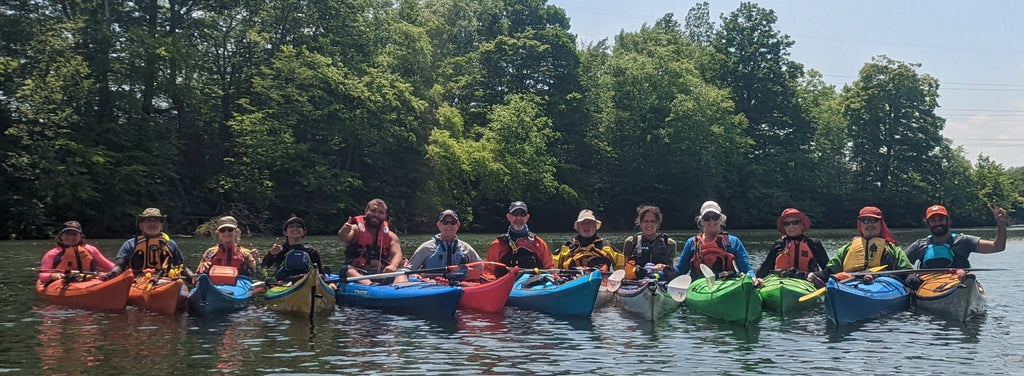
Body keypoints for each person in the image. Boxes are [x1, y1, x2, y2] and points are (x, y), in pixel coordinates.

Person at [808, 206, 913, 288]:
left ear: (881, 224)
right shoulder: (847, 248)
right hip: (850, 283)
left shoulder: (893, 249)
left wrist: (911, 278)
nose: (870, 224)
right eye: (865, 221)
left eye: (874, 220)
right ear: (860, 224)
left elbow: (907, 271)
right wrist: (805, 275)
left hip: (883, 283)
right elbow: (828, 272)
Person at [904, 204, 1009, 269]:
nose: (937, 223)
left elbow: (997, 247)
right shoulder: (919, 245)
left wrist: (1001, 224)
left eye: (941, 219)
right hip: (929, 287)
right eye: (933, 220)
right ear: (928, 223)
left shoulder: (964, 241)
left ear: (947, 220)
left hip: (959, 285)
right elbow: (899, 264)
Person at [673, 201, 756, 281]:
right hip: (700, 287)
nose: (711, 221)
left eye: (715, 217)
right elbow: (680, 270)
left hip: (726, 285)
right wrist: (663, 272)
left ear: (721, 219)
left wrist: (753, 278)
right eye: (707, 218)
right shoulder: (692, 243)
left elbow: (746, 269)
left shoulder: (733, 242)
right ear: (702, 220)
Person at [337, 198, 406, 285]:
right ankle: (370, 285)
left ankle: (402, 289)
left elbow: (398, 254)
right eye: (373, 210)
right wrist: (344, 231)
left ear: (385, 216)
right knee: (346, 269)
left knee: (401, 271)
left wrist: (393, 266)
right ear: (366, 211)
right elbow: (344, 238)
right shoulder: (355, 229)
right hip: (359, 273)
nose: (376, 215)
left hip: (382, 273)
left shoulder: (391, 236)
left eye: (381, 212)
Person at [106, 208, 187, 280]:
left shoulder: (171, 244)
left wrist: (194, 278)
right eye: (148, 220)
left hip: (166, 281)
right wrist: (111, 274)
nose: (152, 224)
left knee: (183, 288)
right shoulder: (130, 244)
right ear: (141, 226)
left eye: (156, 220)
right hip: (137, 280)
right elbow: (120, 266)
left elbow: (181, 267)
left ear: (161, 226)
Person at [484, 201, 554, 277]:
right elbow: (488, 271)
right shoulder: (497, 245)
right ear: (508, 217)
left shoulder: (538, 243)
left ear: (527, 217)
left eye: (522, 214)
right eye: (515, 214)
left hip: (534, 284)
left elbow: (550, 268)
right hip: (507, 285)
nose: (519, 218)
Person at [755, 208, 830, 279]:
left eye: (795, 223)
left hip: (807, 283)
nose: (791, 226)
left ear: (802, 225)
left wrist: (807, 275)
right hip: (779, 282)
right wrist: (753, 277)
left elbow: (828, 272)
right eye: (787, 224)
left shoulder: (813, 243)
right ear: (784, 227)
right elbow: (763, 271)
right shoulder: (779, 244)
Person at [38, 221, 116, 284]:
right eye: (67, 234)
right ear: (61, 236)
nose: (71, 237)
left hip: (89, 280)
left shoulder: (90, 250)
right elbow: (42, 275)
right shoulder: (52, 254)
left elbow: (110, 267)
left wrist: (120, 271)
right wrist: (52, 275)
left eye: (74, 234)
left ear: (80, 236)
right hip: (63, 282)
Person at [407, 209, 481, 270]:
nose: (449, 226)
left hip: (460, 285)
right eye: (445, 222)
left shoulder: (466, 249)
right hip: (432, 285)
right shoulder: (426, 248)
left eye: (453, 223)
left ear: (457, 225)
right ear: (439, 225)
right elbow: (409, 269)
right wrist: (415, 276)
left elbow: (481, 268)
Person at [553, 209, 624, 271]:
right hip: (572, 281)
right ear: (578, 227)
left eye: (589, 223)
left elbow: (622, 266)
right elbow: (553, 266)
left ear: (595, 226)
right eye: (583, 223)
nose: (586, 226)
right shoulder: (567, 246)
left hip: (601, 282)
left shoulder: (606, 246)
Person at [622, 205, 678, 281]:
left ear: (658, 224)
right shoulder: (630, 242)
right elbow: (624, 270)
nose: (649, 225)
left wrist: (662, 267)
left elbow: (671, 271)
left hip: (660, 282)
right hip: (636, 283)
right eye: (646, 221)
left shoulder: (670, 243)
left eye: (653, 221)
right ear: (640, 223)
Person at [262, 216, 325, 282]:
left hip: (308, 280)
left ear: (304, 232)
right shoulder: (280, 250)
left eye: (299, 226)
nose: (295, 228)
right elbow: (264, 266)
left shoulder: (312, 251)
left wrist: (329, 284)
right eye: (291, 226)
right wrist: (271, 253)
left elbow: (320, 272)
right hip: (284, 282)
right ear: (285, 233)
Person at [195, 216, 260, 279]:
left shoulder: (246, 254)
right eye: (222, 230)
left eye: (230, 229)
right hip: (215, 285)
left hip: (239, 286)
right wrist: (202, 269)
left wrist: (257, 261)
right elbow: (196, 277)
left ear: (236, 232)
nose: (226, 232)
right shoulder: (210, 252)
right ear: (219, 234)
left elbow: (261, 276)